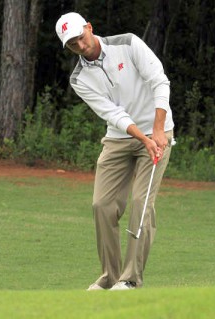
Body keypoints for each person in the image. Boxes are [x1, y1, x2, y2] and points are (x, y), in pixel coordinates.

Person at [55, 12, 175, 290]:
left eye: (81, 38)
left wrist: (157, 131)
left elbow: (160, 81)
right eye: (72, 45)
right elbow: (114, 114)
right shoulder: (79, 79)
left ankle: (130, 279)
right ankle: (110, 277)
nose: (80, 47)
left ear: (89, 28)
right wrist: (141, 138)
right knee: (102, 205)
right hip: (120, 136)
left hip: (157, 131)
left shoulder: (128, 44)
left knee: (140, 203)